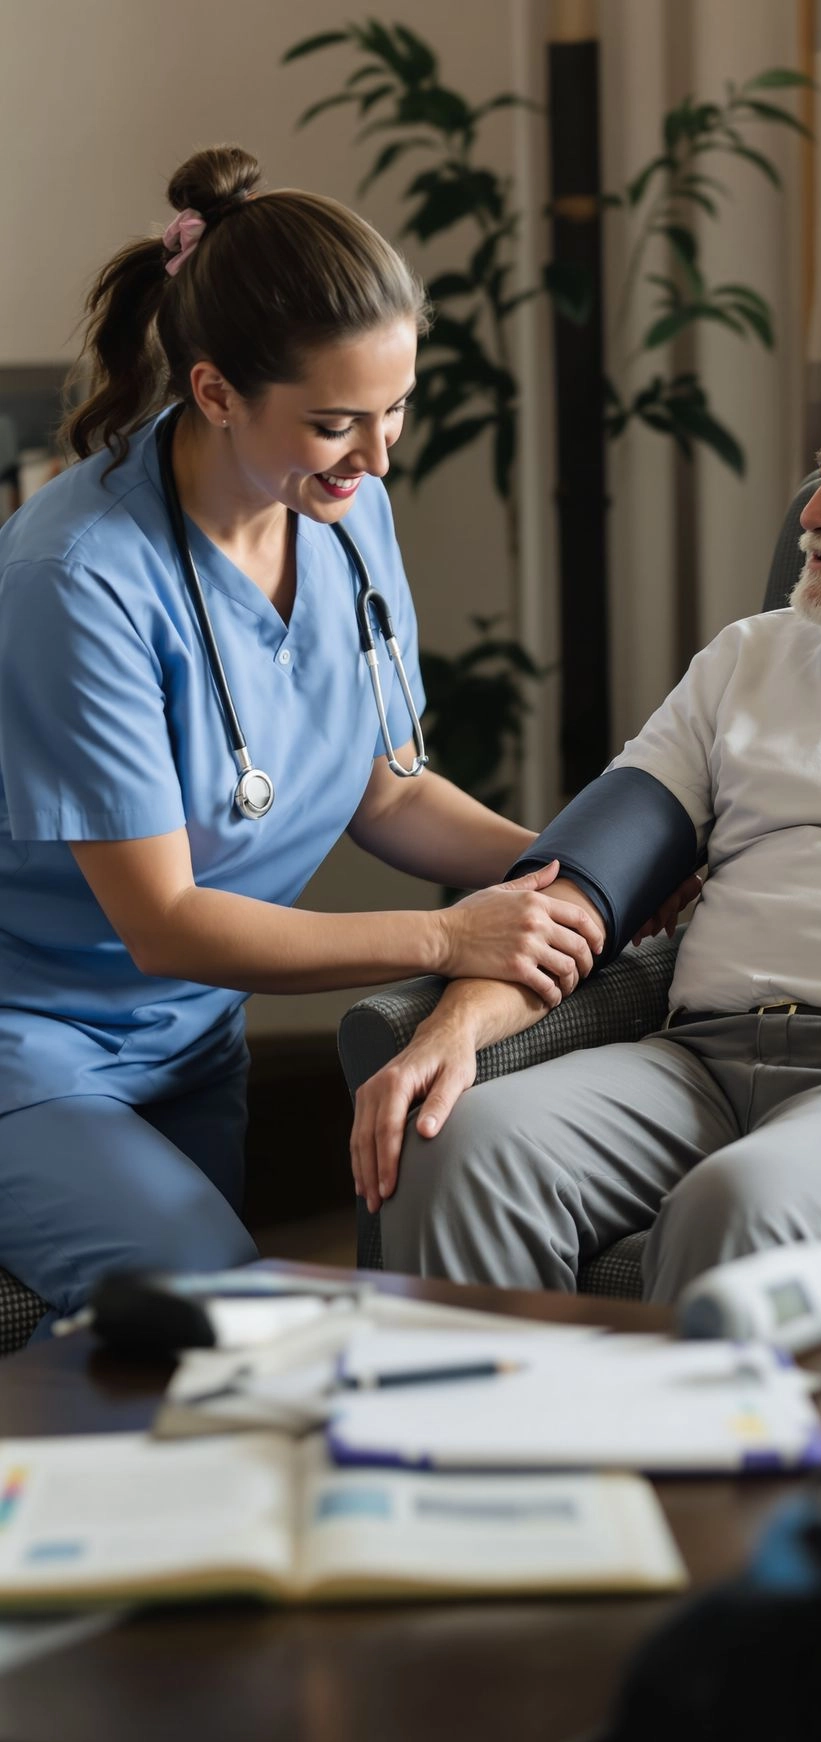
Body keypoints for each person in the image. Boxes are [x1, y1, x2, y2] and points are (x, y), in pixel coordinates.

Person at [0, 144, 606, 1326]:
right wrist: (445, 938)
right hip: (35, 1047)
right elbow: (164, 922)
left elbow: (388, 789)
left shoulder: (341, 510)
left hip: (192, 1046)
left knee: (172, 1388)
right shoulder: (77, 579)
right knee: (233, 1325)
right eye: (338, 423)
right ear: (216, 390)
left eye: (395, 412)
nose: (380, 459)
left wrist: (569, 864)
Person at [353, 364, 821, 1300]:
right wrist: (452, 1029)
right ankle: (494, 1445)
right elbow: (580, 883)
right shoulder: (750, 655)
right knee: (456, 1144)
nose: (814, 511)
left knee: (741, 1204)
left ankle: (688, 1450)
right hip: (699, 1058)